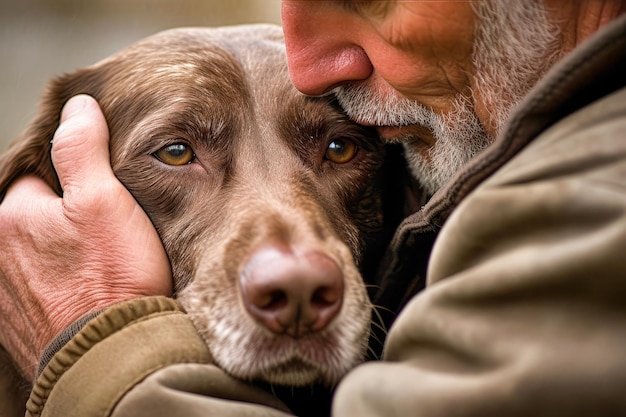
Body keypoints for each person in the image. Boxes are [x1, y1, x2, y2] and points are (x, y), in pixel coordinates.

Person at [1, 1, 625, 416]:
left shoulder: (597, 194)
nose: (293, 268)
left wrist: (92, 339)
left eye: (339, 147)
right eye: (174, 151)